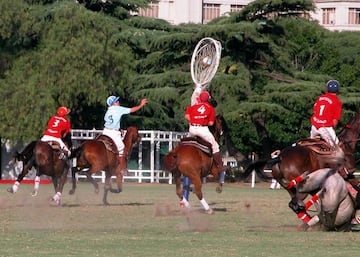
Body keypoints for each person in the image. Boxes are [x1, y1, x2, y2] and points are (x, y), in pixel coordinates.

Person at [184, 90, 228, 173]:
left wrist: (194, 120)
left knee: (185, 143)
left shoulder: (193, 106)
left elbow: (186, 116)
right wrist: (202, 121)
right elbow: (211, 123)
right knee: (215, 146)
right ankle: (220, 165)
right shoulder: (210, 108)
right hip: (202, 129)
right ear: (208, 99)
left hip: (192, 129)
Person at [310, 79, 342, 148]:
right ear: (338, 90)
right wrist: (333, 129)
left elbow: (315, 111)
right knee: (337, 147)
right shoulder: (337, 101)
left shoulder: (320, 98)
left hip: (314, 127)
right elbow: (335, 121)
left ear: (327, 89)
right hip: (325, 128)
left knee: (310, 145)